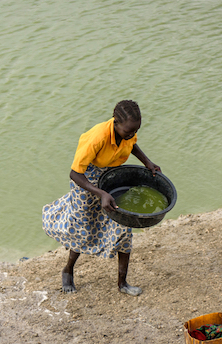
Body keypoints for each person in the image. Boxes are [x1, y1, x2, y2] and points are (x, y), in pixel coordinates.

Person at [42, 100, 160, 296]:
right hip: (86, 180)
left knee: (124, 228)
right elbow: (74, 173)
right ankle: (68, 270)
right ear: (115, 122)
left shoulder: (128, 133)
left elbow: (132, 145)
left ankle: (122, 283)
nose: (132, 134)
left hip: (111, 177)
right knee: (83, 229)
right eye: (128, 131)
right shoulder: (97, 138)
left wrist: (148, 162)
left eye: (135, 131)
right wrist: (100, 193)